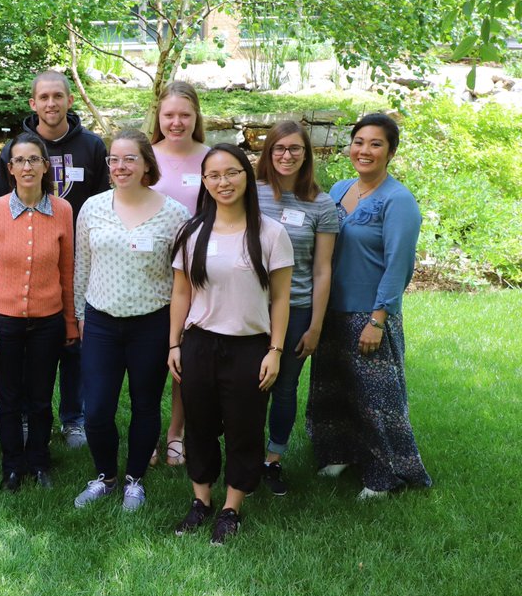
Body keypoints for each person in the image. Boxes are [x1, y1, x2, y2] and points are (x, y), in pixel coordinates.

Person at [168, 143, 293, 545]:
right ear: (204, 182)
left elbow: (281, 298)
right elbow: (181, 293)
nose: (223, 182)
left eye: (231, 173)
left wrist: (275, 350)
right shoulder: (192, 232)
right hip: (199, 344)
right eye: (214, 175)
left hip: (249, 347)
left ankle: (231, 508)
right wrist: (174, 344)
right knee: (199, 425)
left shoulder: (270, 233)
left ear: (246, 176)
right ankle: (201, 500)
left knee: (244, 428)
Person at [306, 113, 430, 498]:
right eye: (359, 141)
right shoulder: (340, 188)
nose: (364, 150)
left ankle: (386, 475)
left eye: (376, 144)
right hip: (330, 309)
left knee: (376, 400)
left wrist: (377, 320)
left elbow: (399, 266)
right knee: (333, 389)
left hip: (369, 314)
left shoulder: (399, 201)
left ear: (390, 152)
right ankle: (339, 453)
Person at [73, 130, 190, 511]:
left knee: (145, 405)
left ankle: (135, 479)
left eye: (129, 159)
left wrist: (177, 333)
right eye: (114, 159)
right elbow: (81, 267)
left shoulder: (175, 214)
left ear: (146, 165)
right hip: (101, 322)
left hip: (151, 324)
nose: (120, 166)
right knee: (97, 408)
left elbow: (182, 278)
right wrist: (79, 316)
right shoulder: (92, 208)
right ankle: (105, 476)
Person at [0, 71, 109, 449]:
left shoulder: (92, 146)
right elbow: (1, 204)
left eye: (58, 96)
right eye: (43, 97)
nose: (51, 103)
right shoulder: (15, 149)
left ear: (70, 100)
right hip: (31, 264)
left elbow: (104, 202)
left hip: (81, 259)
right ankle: (27, 414)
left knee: (73, 343)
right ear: (33, 103)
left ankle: (73, 417)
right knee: (31, 350)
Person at [0, 132, 77, 491]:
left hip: (48, 322)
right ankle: (12, 466)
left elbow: (67, 271)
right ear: (10, 169)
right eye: (19, 160)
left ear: (46, 166)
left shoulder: (63, 210)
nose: (27, 167)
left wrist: (70, 323)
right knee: (8, 399)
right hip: (5, 321)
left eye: (34, 159)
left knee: (40, 398)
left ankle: (39, 461)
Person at [254, 121, 338, 495]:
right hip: (251, 307)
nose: (286, 155)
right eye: (279, 148)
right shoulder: (251, 193)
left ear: (306, 154)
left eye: (295, 149)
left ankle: (273, 460)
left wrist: (316, 325)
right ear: (269, 152)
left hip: (298, 308)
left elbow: (322, 269)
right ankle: (245, 457)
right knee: (250, 386)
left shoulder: (321, 204)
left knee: (285, 387)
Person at [149, 80, 211, 467]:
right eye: (169, 114)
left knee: (184, 354)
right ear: (158, 116)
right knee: (150, 356)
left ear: (196, 117)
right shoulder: (145, 156)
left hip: (196, 271)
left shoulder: (210, 158)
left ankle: (177, 431)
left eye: (184, 115)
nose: (176, 122)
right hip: (149, 269)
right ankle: (149, 432)